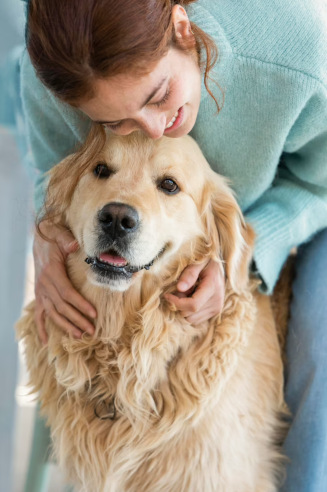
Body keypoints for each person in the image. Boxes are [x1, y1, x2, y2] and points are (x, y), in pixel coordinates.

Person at [20, 0, 327, 490]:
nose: (153, 127)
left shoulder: (300, 57)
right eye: (114, 123)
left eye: (159, 94)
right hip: (175, 232)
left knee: (321, 354)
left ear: (183, 29)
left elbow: (322, 184)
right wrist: (45, 239)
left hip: (297, 204)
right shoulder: (52, 77)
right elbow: (54, 178)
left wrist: (241, 254)